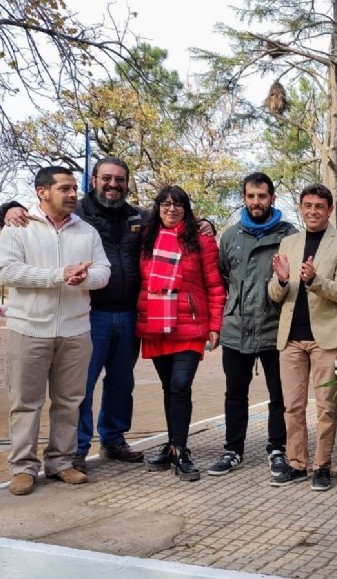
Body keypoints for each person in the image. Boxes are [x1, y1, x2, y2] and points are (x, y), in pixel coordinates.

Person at [3, 158, 215, 473]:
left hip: (130, 314)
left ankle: (114, 440)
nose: (113, 185)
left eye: (120, 179)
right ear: (94, 180)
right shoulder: (76, 213)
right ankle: (77, 449)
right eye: (107, 178)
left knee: (121, 382)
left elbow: (172, 221)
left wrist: (205, 222)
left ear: (127, 183)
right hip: (91, 313)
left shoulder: (139, 217)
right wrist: (8, 207)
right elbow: (42, 211)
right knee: (82, 386)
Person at [0, 166, 110, 495]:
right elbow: (8, 271)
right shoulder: (17, 227)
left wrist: (84, 279)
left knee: (70, 400)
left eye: (75, 188)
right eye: (64, 188)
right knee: (25, 402)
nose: (73, 194)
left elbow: (103, 271)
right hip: (28, 328)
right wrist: (60, 275)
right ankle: (23, 466)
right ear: (42, 192)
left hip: (76, 330)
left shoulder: (86, 232)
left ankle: (61, 461)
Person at [267, 183, 337, 491]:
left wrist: (315, 280)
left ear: (329, 210)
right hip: (291, 338)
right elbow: (274, 294)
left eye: (319, 206)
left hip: (326, 339)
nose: (313, 211)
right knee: (292, 406)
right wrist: (280, 279)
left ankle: (321, 467)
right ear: (301, 208)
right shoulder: (289, 242)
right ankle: (296, 464)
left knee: (326, 407)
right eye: (307, 205)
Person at [208, 172, 297, 477]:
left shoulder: (290, 235)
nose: (256, 202)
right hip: (236, 329)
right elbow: (222, 278)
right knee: (235, 393)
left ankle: (277, 450)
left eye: (262, 196)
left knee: (280, 395)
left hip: (275, 327)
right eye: (250, 196)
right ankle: (233, 449)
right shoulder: (231, 236)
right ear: (244, 199)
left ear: (272, 198)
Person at [136, 186, 225, 481]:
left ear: (186, 209)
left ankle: (180, 448)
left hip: (189, 325)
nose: (171, 209)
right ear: (157, 207)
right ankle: (173, 445)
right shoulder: (145, 239)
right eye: (166, 204)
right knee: (168, 389)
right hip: (156, 324)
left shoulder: (201, 240)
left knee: (180, 385)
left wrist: (215, 326)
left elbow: (214, 286)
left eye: (178, 205)